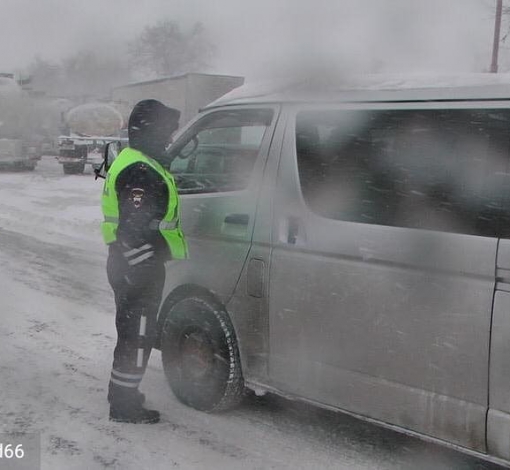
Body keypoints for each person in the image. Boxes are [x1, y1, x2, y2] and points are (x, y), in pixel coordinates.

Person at [101, 99, 188, 423]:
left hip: (129, 265)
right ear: (151, 131)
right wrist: (143, 268)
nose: (169, 138)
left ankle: (120, 394)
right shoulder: (142, 170)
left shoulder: (135, 160)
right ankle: (124, 407)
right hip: (137, 266)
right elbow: (134, 228)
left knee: (130, 334)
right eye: (166, 131)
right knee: (137, 338)